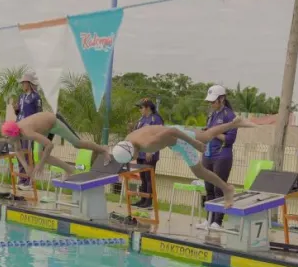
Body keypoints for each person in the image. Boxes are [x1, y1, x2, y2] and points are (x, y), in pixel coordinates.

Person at [110, 116, 256, 208]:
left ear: (131, 152)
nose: (134, 158)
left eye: (131, 157)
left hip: (179, 140)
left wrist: (193, 144)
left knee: (199, 171)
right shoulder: (129, 138)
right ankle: (234, 123)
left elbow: (172, 131)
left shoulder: (148, 143)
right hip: (174, 135)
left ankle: (226, 189)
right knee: (206, 135)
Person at [1, 111, 110, 180]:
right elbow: (18, 150)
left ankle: (103, 149)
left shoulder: (26, 132)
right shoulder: (15, 134)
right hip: (42, 128)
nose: (6, 140)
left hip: (53, 123)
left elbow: (50, 145)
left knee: (77, 144)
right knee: (42, 155)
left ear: (13, 134)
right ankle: (69, 168)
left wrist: (40, 164)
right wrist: (26, 167)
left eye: (7, 137)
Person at [198, 85, 238, 230]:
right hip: (208, 154)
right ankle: (208, 219)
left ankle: (217, 222)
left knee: (218, 189)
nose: (211, 104)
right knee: (208, 189)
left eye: (214, 101)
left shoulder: (230, 116)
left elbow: (230, 140)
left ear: (222, 99)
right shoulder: (212, 115)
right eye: (210, 102)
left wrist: (213, 132)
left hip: (222, 156)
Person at [130, 98, 164, 208]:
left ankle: (149, 202)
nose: (139, 109)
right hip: (140, 152)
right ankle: (143, 199)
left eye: (141, 107)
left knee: (149, 178)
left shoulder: (156, 119)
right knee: (143, 178)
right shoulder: (142, 119)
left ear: (148, 107)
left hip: (149, 153)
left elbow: (159, 136)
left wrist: (151, 150)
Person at [13, 72, 42, 187]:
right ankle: (22, 178)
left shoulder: (36, 97)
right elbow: (19, 112)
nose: (22, 85)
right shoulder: (21, 96)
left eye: (23, 83)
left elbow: (39, 113)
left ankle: (30, 179)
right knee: (19, 152)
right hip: (18, 127)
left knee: (27, 152)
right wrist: (15, 109)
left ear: (29, 83)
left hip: (29, 129)